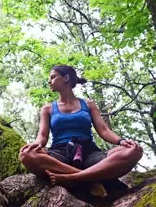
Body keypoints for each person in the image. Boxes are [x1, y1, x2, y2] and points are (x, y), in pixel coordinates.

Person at [18, 65, 143, 197]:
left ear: (66, 78)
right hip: (60, 155)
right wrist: (36, 144)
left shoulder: (88, 104)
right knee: (26, 155)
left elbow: (104, 130)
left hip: (89, 153)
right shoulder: (47, 109)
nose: (49, 81)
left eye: (53, 77)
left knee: (134, 151)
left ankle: (72, 178)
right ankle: (92, 178)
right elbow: (42, 136)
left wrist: (122, 141)